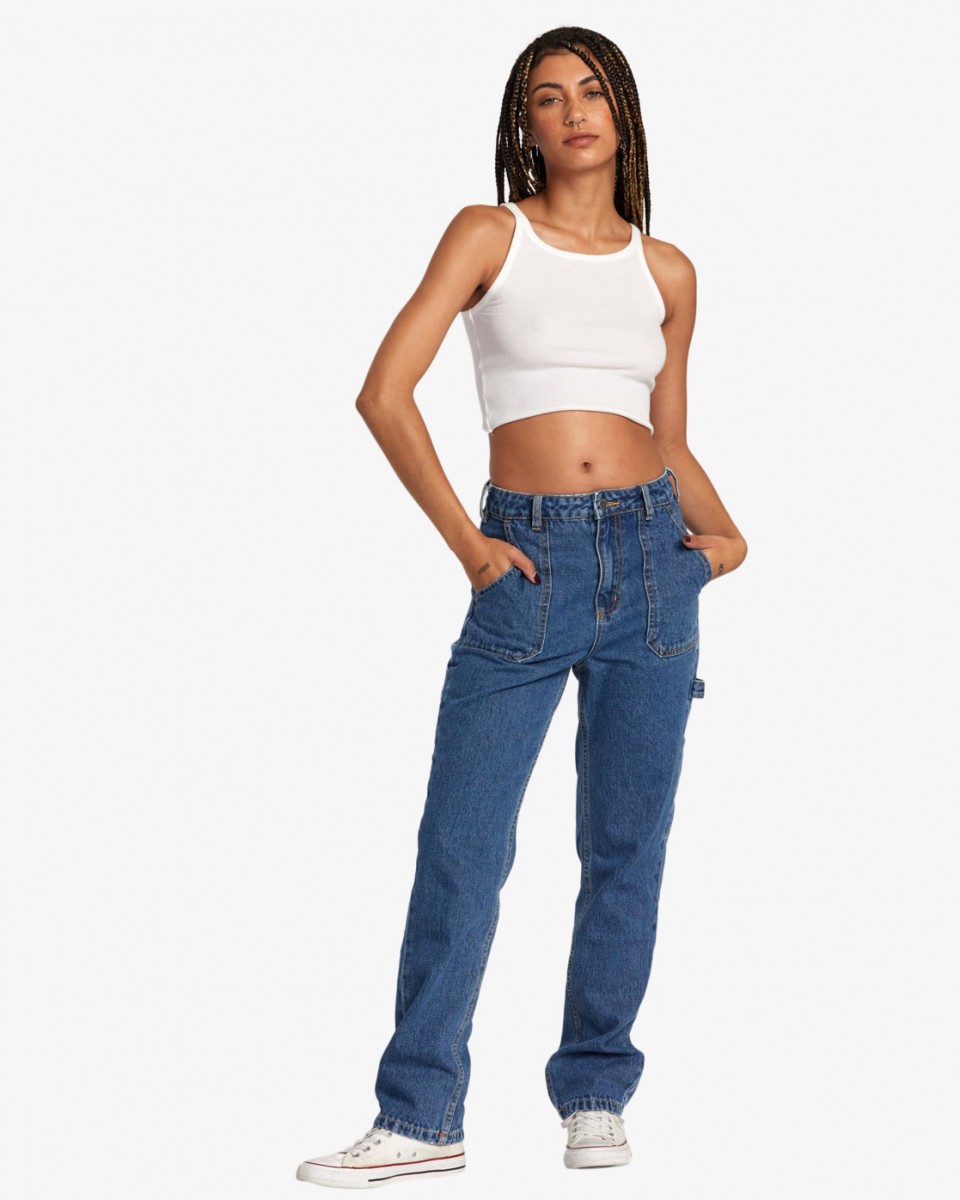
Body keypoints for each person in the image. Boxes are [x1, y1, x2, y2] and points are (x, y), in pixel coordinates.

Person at [297, 24, 747, 1189]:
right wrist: (470, 546)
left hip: (653, 567)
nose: (573, 110)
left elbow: (669, 438)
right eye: (547, 97)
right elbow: (383, 393)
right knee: (462, 845)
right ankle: (420, 1115)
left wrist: (726, 540)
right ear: (524, 126)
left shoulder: (668, 271)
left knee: (625, 849)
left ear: (623, 113)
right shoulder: (488, 234)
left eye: (592, 91)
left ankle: (596, 1093)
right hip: (525, 569)